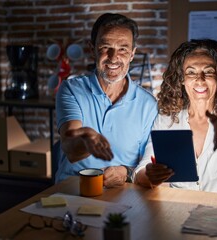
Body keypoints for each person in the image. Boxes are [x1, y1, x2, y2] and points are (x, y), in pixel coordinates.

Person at [133, 39, 217, 195]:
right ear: (182, 79)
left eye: (209, 71)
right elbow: (141, 171)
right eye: (191, 72)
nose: (200, 79)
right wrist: (150, 176)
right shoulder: (167, 119)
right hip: (180, 210)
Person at [55, 13, 158, 187]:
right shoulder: (71, 90)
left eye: (123, 49)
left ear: (132, 54)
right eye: (105, 47)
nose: (113, 57)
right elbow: (70, 149)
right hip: (73, 192)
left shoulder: (148, 104)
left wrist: (126, 172)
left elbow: (147, 164)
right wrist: (87, 142)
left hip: (125, 195)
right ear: (92, 49)